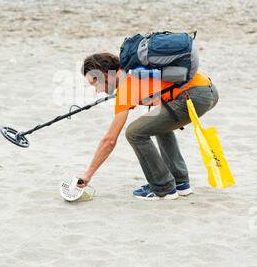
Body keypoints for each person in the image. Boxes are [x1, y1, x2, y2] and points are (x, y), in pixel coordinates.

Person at [77, 52, 219, 200]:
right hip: (209, 89)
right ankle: (180, 182)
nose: (97, 90)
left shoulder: (126, 85)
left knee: (134, 133)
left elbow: (110, 140)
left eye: (95, 83)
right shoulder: (131, 72)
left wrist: (88, 174)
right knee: (155, 123)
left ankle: (163, 188)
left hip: (195, 96)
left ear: (106, 75)